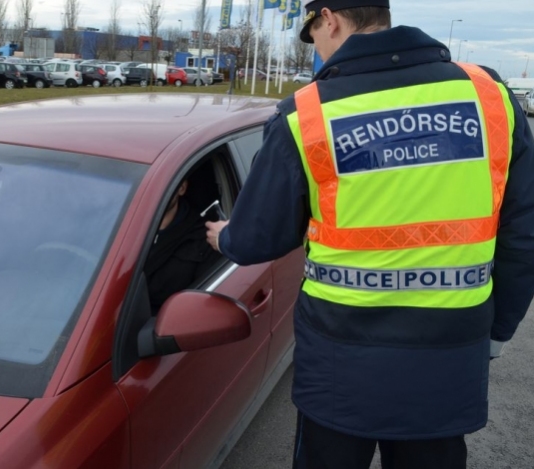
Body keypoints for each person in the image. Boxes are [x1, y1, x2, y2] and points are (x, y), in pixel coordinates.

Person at [205, 1, 534, 468]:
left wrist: (225, 238)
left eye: (313, 35)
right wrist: (499, 330)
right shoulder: (489, 96)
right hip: (449, 356)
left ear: (330, 18)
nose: (317, 48)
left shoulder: (306, 114)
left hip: (340, 367)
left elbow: (260, 237)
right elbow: (523, 234)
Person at [145, 179, 221, 314]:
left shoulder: (203, 239)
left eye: (163, 184)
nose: (155, 191)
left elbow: (198, 309)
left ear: (182, 188)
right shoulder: (117, 224)